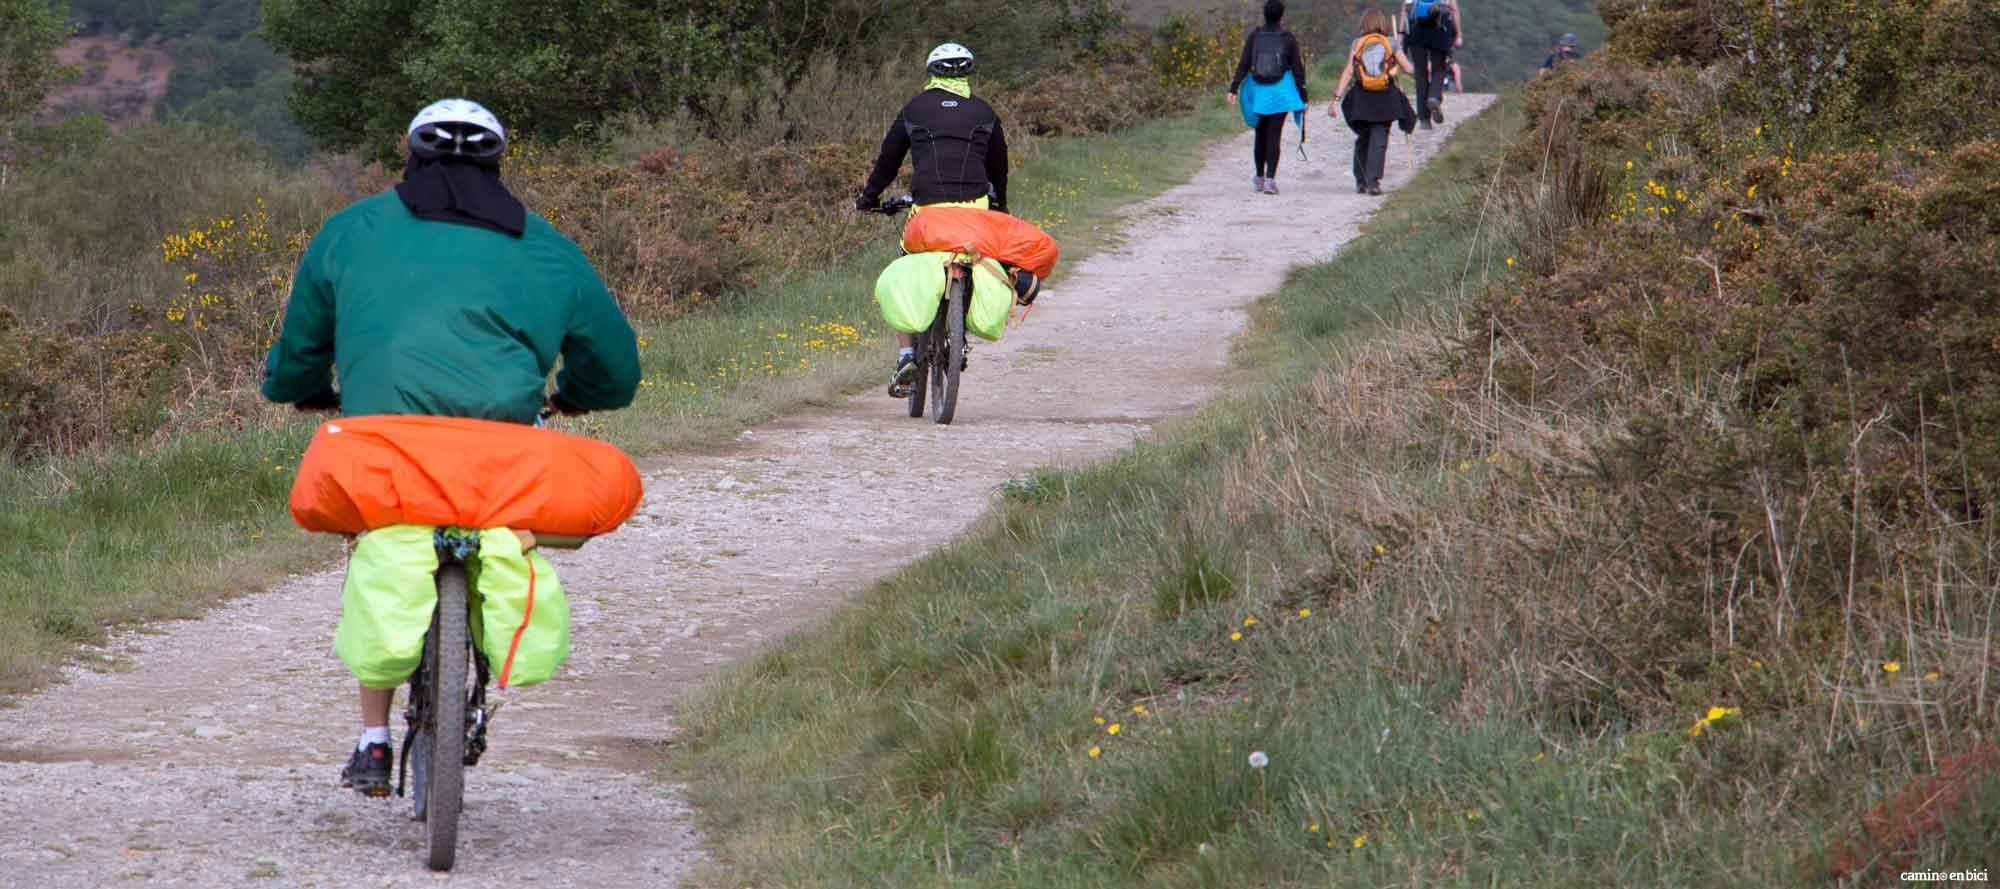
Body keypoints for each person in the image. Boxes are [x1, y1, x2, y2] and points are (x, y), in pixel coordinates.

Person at [262, 98, 641, 797]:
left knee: (371, 535)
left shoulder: (349, 231)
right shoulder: (548, 246)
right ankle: (490, 640)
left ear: (410, 158)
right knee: (511, 522)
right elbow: (615, 366)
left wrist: (308, 388)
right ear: (498, 164)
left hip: (384, 449)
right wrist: (576, 394)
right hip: (505, 455)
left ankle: (374, 740)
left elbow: (296, 357)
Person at [855, 43, 1032, 397]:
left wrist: (870, 197)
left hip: (928, 213)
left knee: (906, 267)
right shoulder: (984, 111)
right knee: (979, 259)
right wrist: (1000, 205)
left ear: (932, 72)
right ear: (968, 73)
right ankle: (960, 325)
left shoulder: (915, 109)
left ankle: (907, 353)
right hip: (975, 211)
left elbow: (888, 160)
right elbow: (999, 167)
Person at [1331, 9, 1419, 195]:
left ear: (1364, 24)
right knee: (1379, 139)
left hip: (1361, 99)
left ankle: (1361, 181)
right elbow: (1408, 69)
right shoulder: (1391, 43)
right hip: (1385, 98)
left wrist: (1336, 99)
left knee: (1363, 138)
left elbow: (1348, 72)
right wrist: (1419, 66)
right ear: (1383, 23)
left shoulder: (1357, 43)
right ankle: (1373, 182)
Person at [1228, 0, 1309, 196]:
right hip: (1280, 92)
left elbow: (1244, 63)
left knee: (1260, 134)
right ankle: (1271, 181)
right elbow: (1298, 70)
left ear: (1264, 15)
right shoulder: (1288, 38)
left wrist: (1234, 88)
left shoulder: (1255, 36)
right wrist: (1303, 96)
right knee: (1274, 136)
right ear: (1282, 16)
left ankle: (1259, 177)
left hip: (1259, 91)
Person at [1400, 0, 1461, 129]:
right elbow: (1454, 10)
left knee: (1420, 73)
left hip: (1416, 30)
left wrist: (1401, 36)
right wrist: (1458, 34)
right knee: (1439, 69)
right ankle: (1433, 97)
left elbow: (1405, 10)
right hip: (1440, 30)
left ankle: (1424, 119)